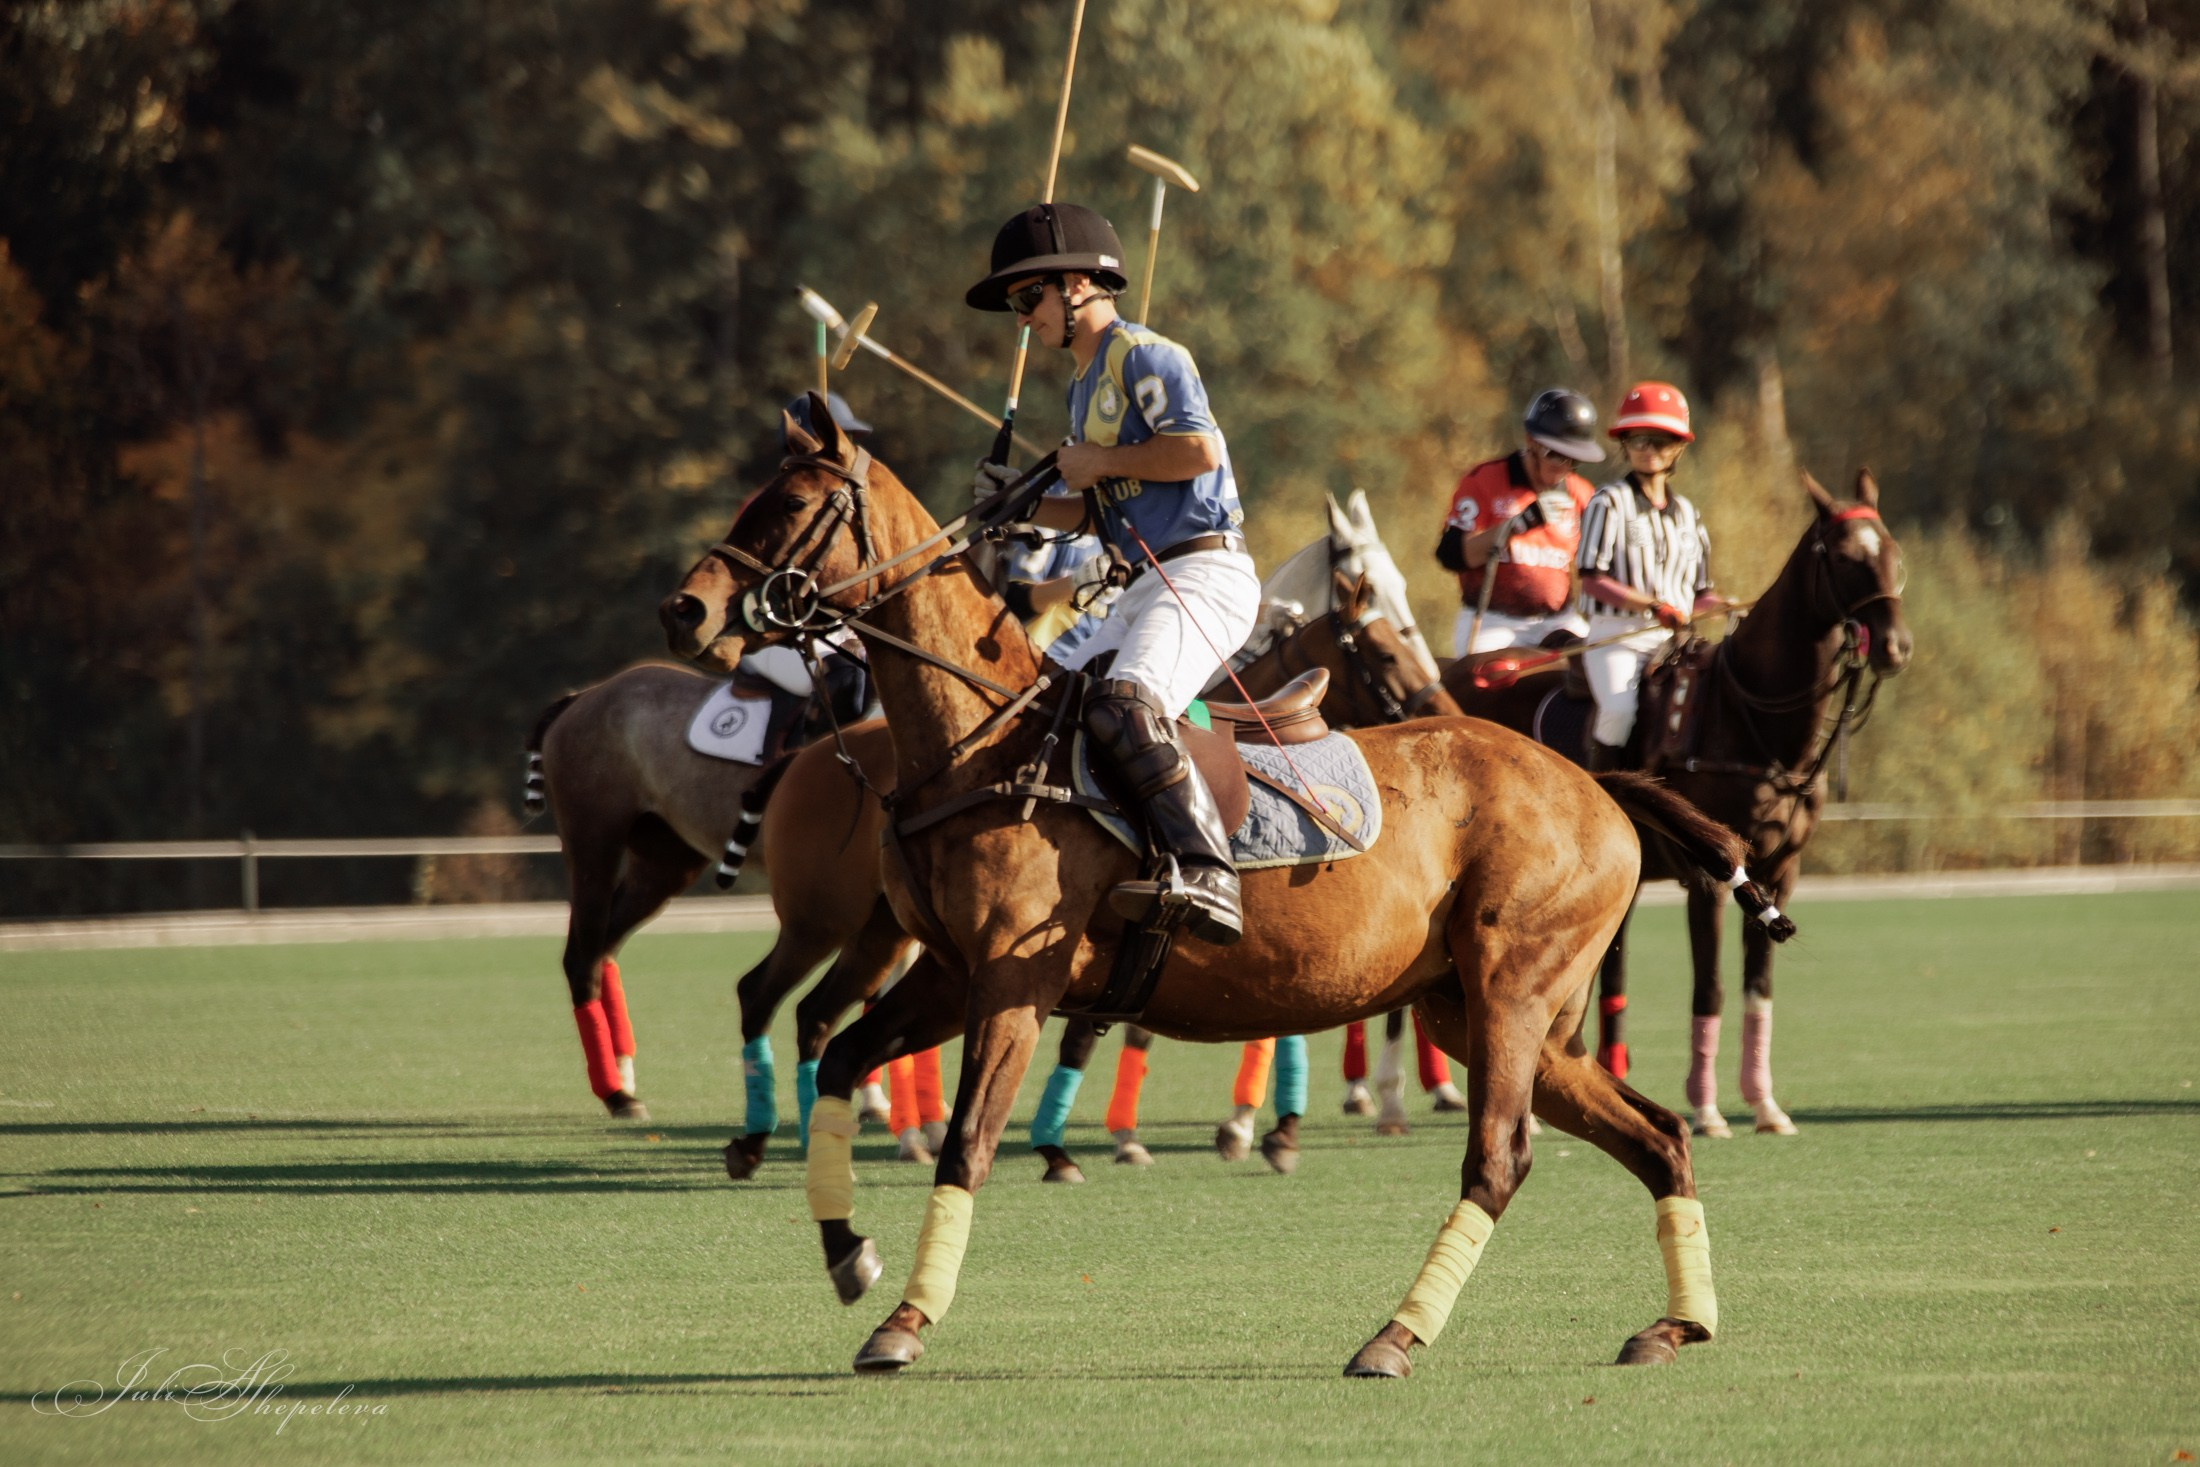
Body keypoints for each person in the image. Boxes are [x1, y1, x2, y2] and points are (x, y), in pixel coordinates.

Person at [967, 202, 1257, 944]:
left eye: (1028, 298)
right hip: (1138, 581)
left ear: (1075, 284)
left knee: (1127, 700)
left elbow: (1197, 453)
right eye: (1014, 305)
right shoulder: (1081, 386)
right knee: (1042, 700)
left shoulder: (1147, 355)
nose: (1022, 318)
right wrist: (1021, 507)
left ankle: (1207, 871)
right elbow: (1098, 514)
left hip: (1204, 575)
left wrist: (1100, 462)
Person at [1575, 381, 1731, 771]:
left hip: (1675, 642)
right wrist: (1652, 606)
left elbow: (1700, 594)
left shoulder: (1688, 514)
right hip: (1617, 639)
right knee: (1618, 712)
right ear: (1625, 443)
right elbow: (1592, 577)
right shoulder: (1608, 502)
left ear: (1678, 448)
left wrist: (1727, 606)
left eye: (1660, 442)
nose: (1649, 451)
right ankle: (1604, 790)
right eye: (1640, 440)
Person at [1435, 390, 1602, 656]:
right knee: (1483, 684)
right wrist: (1514, 527)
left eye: (1573, 458)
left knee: (1593, 666)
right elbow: (1450, 555)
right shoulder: (1485, 480)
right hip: (1493, 621)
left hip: (1557, 621)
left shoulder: (1582, 493)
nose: (1563, 466)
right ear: (1531, 441)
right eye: (1554, 454)